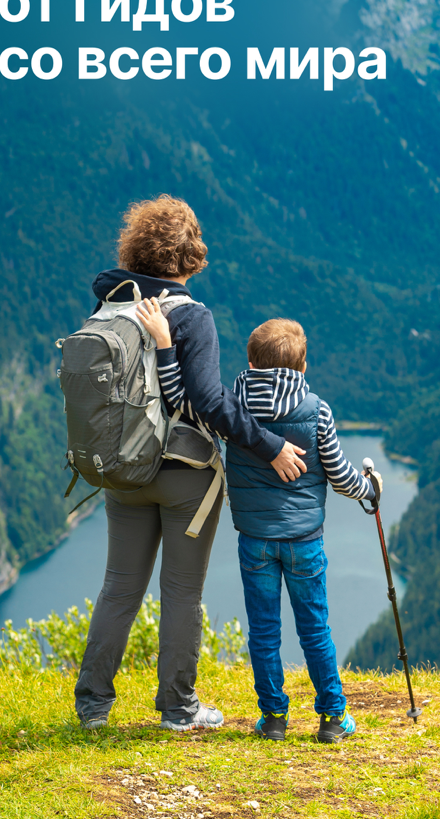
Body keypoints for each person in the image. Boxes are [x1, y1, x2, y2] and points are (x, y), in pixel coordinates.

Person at [74, 195, 307, 732]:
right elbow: (208, 401)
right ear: (190, 252)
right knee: (181, 592)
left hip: (123, 469)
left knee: (118, 587)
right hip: (185, 476)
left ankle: (92, 707)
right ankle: (178, 709)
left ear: (137, 246)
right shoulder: (191, 315)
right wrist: (269, 446)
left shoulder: (110, 307)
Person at [141, 309, 377, 744]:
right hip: (305, 541)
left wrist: (164, 346)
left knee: (264, 631)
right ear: (303, 366)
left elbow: (177, 396)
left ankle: (273, 718)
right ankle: (332, 718)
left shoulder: (230, 408)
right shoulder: (317, 411)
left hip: (255, 540)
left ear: (250, 365)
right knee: (315, 629)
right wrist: (370, 490)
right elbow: (342, 476)